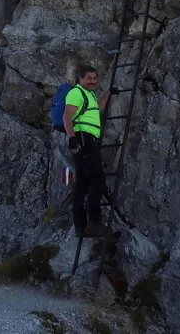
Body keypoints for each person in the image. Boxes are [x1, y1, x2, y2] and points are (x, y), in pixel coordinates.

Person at [63, 65, 111, 237]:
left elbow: (97, 108)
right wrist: (72, 136)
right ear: (80, 79)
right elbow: (67, 115)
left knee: (82, 183)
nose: (93, 81)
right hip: (84, 139)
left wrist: (108, 93)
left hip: (84, 139)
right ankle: (94, 222)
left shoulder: (88, 95)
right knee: (97, 178)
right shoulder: (76, 93)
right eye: (89, 78)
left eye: (94, 78)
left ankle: (80, 226)